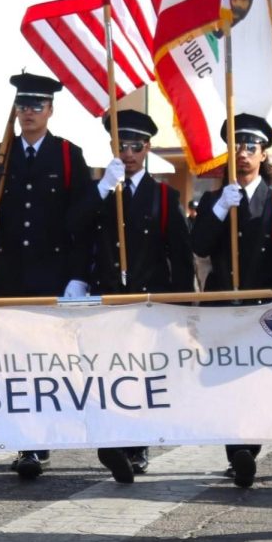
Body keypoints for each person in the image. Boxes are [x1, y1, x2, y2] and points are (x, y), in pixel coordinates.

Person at [0, 72, 92, 480]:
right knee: (11, 363)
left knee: (44, 364)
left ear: (51, 110)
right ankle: (25, 443)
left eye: (36, 105)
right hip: (9, 277)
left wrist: (78, 276)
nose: (28, 113)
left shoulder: (70, 156)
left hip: (52, 278)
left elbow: (83, 224)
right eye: (22, 105)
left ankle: (39, 442)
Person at [70, 109, 195, 483]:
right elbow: (73, 229)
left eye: (135, 146)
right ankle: (112, 442)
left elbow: (180, 254)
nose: (127, 153)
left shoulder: (163, 195)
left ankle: (137, 447)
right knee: (108, 373)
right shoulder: (99, 190)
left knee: (140, 376)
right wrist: (102, 189)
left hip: (148, 299)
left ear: (147, 149)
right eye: (120, 145)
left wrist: (182, 302)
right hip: (108, 297)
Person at [191, 114, 272, 488]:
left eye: (250, 147)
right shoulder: (213, 199)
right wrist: (221, 208)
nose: (242, 154)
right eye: (236, 146)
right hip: (222, 306)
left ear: (263, 153)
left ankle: (247, 449)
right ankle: (236, 451)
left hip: (261, 307)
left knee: (255, 380)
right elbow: (200, 245)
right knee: (225, 379)